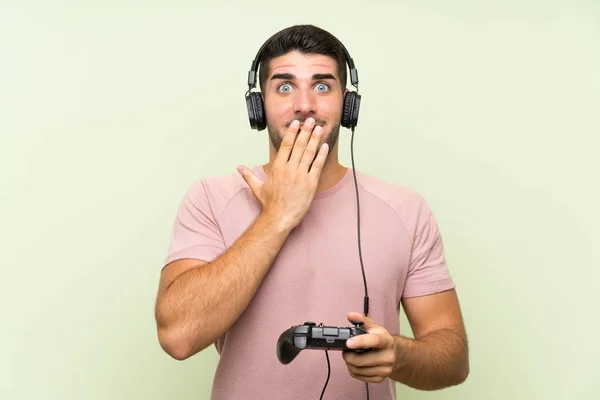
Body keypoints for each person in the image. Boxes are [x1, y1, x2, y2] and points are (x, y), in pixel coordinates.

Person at [154, 24, 469, 400]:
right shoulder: (211, 197)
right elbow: (177, 336)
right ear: (259, 105)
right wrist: (278, 216)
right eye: (284, 86)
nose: (304, 104)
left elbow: (453, 360)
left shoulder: (405, 208)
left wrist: (399, 356)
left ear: (348, 103)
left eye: (322, 85)